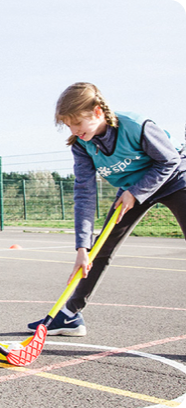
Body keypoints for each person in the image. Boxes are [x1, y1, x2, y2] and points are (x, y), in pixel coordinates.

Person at [27, 82, 186, 336]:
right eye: (69, 125)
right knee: (99, 249)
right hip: (131, 189)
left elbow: (169, 161)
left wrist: (135, 192)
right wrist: (82, 247)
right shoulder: (82, 146)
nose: (74, 130)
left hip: (175, 179)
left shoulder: (135, 125)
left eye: (78, 123)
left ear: (98, 112)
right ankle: (70, 315)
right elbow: (85, 194)